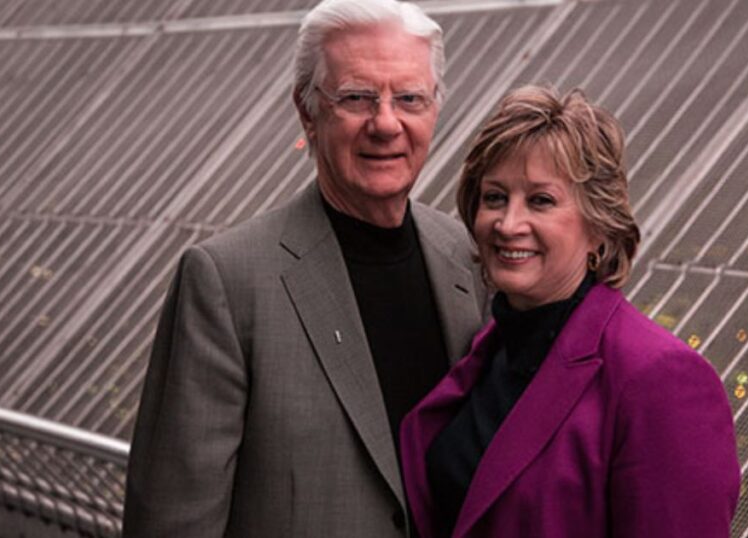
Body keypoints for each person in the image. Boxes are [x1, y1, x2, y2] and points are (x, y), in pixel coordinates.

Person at [123, 0, 485, 536]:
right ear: (307, 111)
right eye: (357, 97)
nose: (386, 123)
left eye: (409, 98)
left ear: (435, 108)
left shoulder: (467, 255)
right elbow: (172, 523)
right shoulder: (228, 281)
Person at [399, 86, 741, 538]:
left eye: (541, 200)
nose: (508, 224)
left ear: (599, 226)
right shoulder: (487, 350)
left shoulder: (659, 378)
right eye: (495, 197)